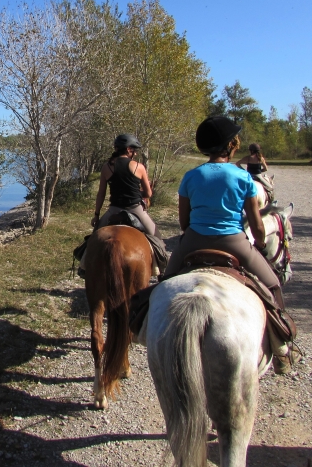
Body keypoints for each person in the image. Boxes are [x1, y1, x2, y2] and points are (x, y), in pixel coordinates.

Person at [163, 116, 298, 373]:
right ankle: (282, 349)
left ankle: (144, 326)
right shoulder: (242, 178)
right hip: (234, 242)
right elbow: (258, 229)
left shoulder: (191, 176)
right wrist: (258, 240)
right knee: (272, 284)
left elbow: (184, 223)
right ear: (230, 145)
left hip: (193, 241)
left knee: (164, 281)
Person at [75, 134, 168, 277]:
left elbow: (101, 194)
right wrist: (136, 193)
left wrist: (97, 215)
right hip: (135, 209)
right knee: (157, 238)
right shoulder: (139, 167)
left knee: (94, 238)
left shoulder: (107, 167)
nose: (135, 153)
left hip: (114, 210)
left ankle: (84, 266)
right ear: (128, 149)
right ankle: (161, 270)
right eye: (134, 150)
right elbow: (148, 194)